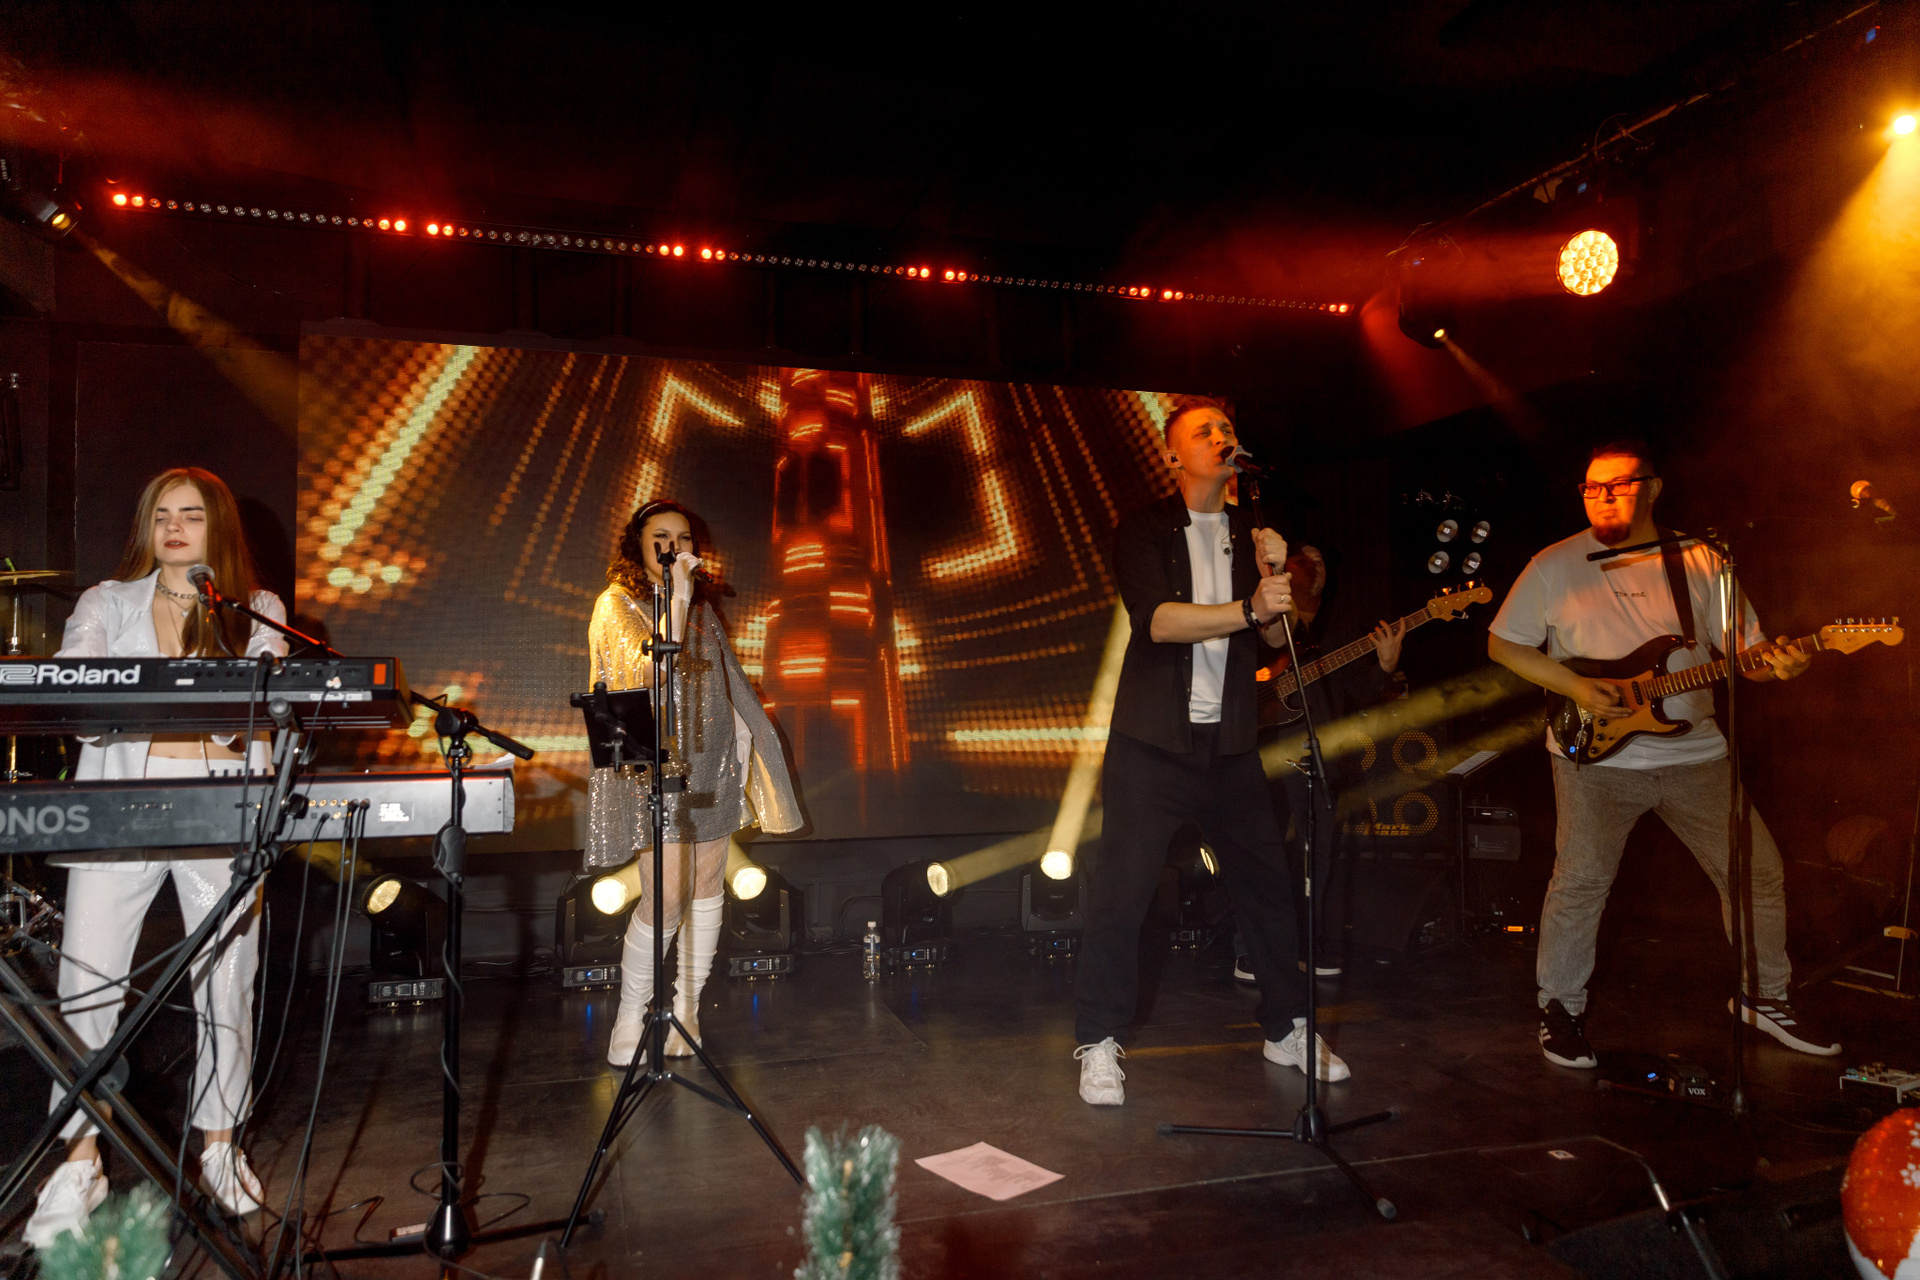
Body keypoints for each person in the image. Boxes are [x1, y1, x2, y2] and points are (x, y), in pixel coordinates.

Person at [1488, 438, 1838, 1068]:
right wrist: (1576, 687)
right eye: (1591, 487)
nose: (1602, 497)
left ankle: (1764, 997)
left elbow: (1746, 655)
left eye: (1617, 485)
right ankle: (1560, 1009)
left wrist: (1783, 665)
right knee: (1580, 883)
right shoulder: (1554, 564)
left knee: (1756, 873)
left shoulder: (1702, 560)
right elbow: (1504, 644)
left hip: (1695, 755)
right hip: (1594, 760)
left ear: (1652, 488)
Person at [26, 468, 284, 1249]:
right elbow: (81, 702)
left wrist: (200, 704)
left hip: (221, 811)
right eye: (162, 514)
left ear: (217, 527)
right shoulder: (105, 603)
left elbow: (260, 713)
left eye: (191, 515)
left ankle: (220, 1147)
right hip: (120, 809)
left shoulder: (255, 607)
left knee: (227, 982)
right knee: (86, 984)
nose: (174, 527)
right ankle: (78, 1162)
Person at [1073, 398, 1350, 1107]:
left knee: (1266, 887)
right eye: (1205, 432)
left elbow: (1271, 639)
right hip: (1152, 743)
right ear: (1174, 455)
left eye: (1228, 429)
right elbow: (1158, 622)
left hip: (1228, 744)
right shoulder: (1144, 528)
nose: (1222, 438)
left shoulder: (1250, 534)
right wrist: (1250, 608)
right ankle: (1099, 1040)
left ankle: (1286, 1027)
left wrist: (1277, 586)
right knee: (1123, 895)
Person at [586, 500, 803, 1067]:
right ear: (637, 545)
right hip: (653, 768)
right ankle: (630, 1017)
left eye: (682, 538)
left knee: (708, 885)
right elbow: (648, 673)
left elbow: (729, 683)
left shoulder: (702, 608)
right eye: (661, 537)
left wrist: (748, 751)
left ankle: (688, 1011)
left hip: (711, 763)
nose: (673, 547)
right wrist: (678, 597)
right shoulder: (616, 604)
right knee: (665, 894)